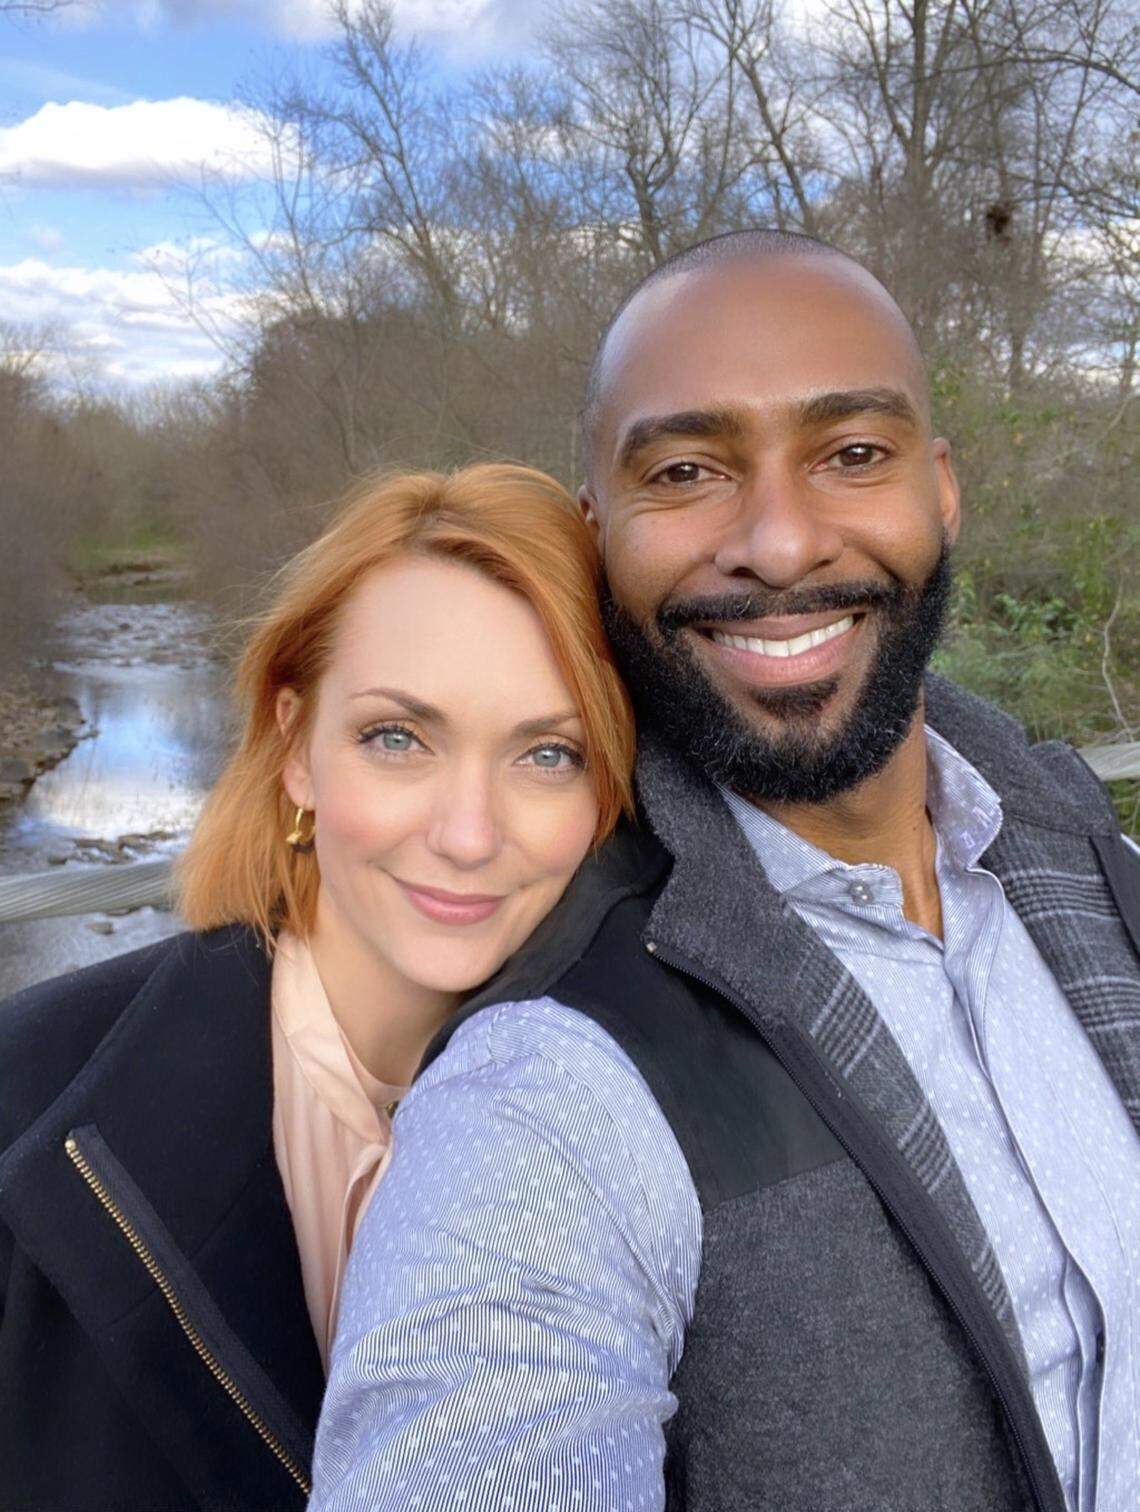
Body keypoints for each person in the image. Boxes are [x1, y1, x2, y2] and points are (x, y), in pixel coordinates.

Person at [312, 231, 1140, 1512]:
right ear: (598, 535)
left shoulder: (1087, 863)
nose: (780, 542)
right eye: (687, 470)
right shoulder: (554, 1079)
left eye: (852, 456)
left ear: (941, 490)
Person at [0, 463, 634, 1510]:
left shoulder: (665, 1112)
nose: (467, 834)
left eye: (549, 753)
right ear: (296, 747)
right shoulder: (29, 1108)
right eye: (398, 738)